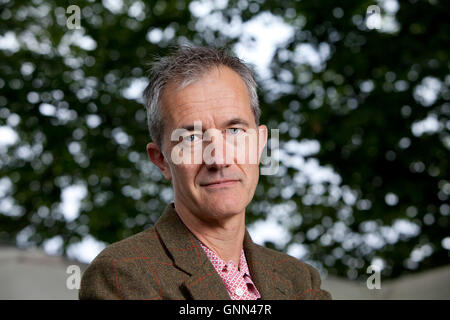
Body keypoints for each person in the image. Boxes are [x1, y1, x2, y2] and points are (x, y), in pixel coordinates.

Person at [79, 46, 332, 300]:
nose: (219, 159)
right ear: (161, 160)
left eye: (234, 131)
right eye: (191, 138)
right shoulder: (122, 275)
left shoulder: (300, 281)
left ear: (259, 144)